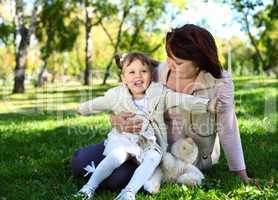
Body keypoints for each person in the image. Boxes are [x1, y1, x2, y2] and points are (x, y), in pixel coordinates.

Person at [71, 24, 251, 192]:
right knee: (79, 161)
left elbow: (228, 128)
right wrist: (116, 119)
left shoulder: (220, 82)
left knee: (115, 179)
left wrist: (241, 174)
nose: (170, 64)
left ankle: (124, 175)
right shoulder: (158, 72)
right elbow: (124, 99)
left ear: (199, 62)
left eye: (178, 62)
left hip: (180, 156)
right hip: (141, 141)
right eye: (168, 56)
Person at [74, 52, 218, 199]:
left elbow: (182, 100)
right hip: (126, 140)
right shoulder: (117, 95)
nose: (138, 76)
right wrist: (82, 108)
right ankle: (89, 187)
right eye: (132, 72)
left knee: (153, 158)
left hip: (150, 143)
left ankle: (129, 192)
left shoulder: (160, 93)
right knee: (116, 156)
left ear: (151, 76)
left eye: (143, 71)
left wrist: (207, 104)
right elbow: (99, 103)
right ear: (123, 79)